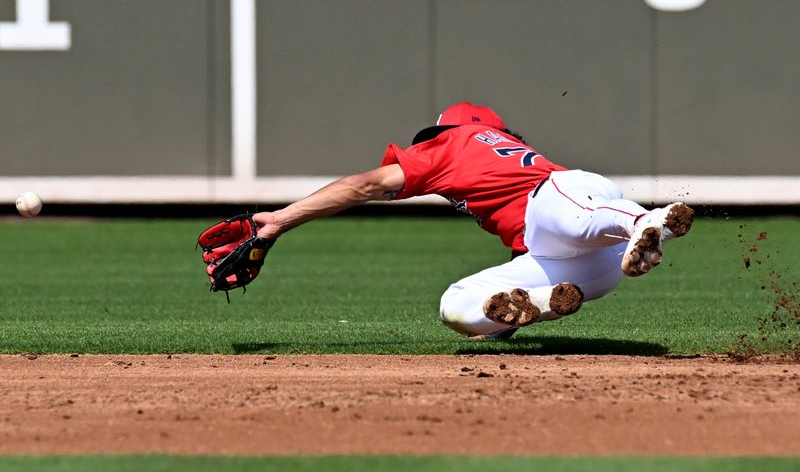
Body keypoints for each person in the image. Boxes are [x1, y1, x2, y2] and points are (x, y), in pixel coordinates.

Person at [252, 102, 694, 339]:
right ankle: (540, 303)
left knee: (574, 219)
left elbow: (366, 184)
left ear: (446, 131)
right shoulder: (498, 159)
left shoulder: (452, 144)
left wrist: (281, 220)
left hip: (565, 195)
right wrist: (510, 317)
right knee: (458, 305)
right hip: (590, 268)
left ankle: (651, 222)